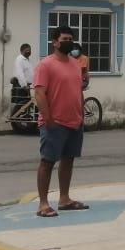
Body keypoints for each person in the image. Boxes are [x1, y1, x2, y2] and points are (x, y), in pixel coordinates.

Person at [32, 26, 89, 218]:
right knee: (47, 161)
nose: (68, 42)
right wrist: (48, 119)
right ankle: (43, 204)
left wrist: (81, 115)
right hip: (54, 123)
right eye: (64, 38)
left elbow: (78, 91)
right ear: (54, 42)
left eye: (71, 38)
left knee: (68, 160)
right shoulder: (45, 65)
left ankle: (64, 199)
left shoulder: (75, 63)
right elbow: (39, 93)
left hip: (75, 122)